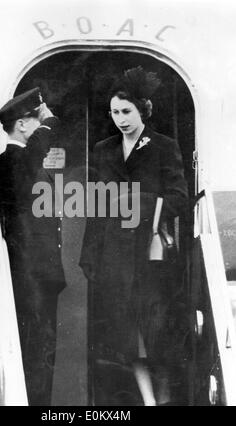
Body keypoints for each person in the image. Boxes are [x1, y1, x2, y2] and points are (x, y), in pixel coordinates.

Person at [80, 67, 189, 406]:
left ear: (143, 110)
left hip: (150, 255)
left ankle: (166, 396)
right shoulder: (103, 149)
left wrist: (146, 209)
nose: (120, 119)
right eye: (115, 112)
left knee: (156, 336)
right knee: (128, 340)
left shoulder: (162, 146)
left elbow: (179, 195)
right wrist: (90, 255)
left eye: (127, 111)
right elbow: (96, 204)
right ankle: (149, 401)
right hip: (114, 256)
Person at [0, 87, 66, 405]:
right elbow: (45, 138)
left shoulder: (22, 161)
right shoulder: (11, 159)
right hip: (31, 277)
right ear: (22, 124)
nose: (41, 125)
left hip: (39, 275)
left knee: (43, 349)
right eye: (35, 119)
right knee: (38, 350)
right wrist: (50, 120)